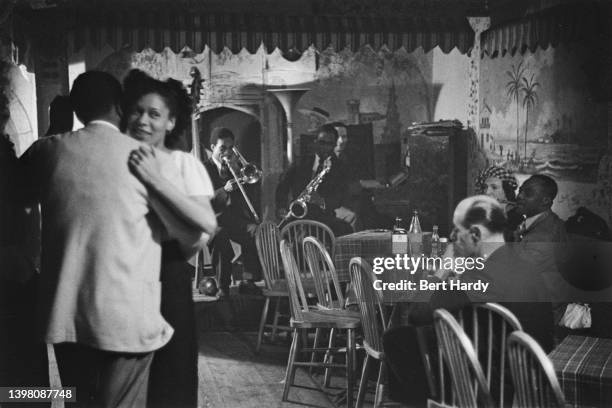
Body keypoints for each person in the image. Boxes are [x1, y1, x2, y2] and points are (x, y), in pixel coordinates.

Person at [20, 71, 209, 408]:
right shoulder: (145, 158)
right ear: (120, 107)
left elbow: (15, 193)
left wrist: (57, 125)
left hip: (66, 314)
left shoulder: (47, 151)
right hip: (125, 317)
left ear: (75, 109)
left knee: (76, 397)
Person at [383, 195, 554, 405]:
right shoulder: (519, 261)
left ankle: (429, 403)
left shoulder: (484, 273)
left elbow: (418, 313)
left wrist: (442, 270)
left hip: (501, 380)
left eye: (457, 232)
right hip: (537, 366)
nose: (454, 238)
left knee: (399, 338)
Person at [122, 69, 217, 408]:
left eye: (154, 114)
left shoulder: (182, 164)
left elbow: (197, 238)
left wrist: (152, 181)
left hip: (168, 275)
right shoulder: (116, 158)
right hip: (123, 275)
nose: (143, 120)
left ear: (171, 122)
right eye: (137, 111)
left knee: (172, 377)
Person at [203, 127, 262, 298]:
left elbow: (248, 195)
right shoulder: (202, 169)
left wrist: (240, 173)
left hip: (233, 219)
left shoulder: (234, 167)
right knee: (220, 236)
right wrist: (224, 190)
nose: (227, 152)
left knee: (255, 231)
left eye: (230, 147)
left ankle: (248, 281)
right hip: (212, 220)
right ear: (213, 147)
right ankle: (223, 286)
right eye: (222, 148)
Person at [276, 124, 355, 236]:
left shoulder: (340, 168)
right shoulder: (301, 162)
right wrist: (281, 207)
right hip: (297, 216)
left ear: (334, 145)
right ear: (315, 142)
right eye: (322, 143)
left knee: (343, 230)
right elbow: (283, 186)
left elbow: (341, 197)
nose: (326, 148)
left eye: (330, 144)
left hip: (323, 218)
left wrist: (321, 201)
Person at [475, 165, 522, 240]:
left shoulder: (517, 219)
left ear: (507, 191)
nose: (487, 192)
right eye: (485, 187)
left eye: (494, 187)